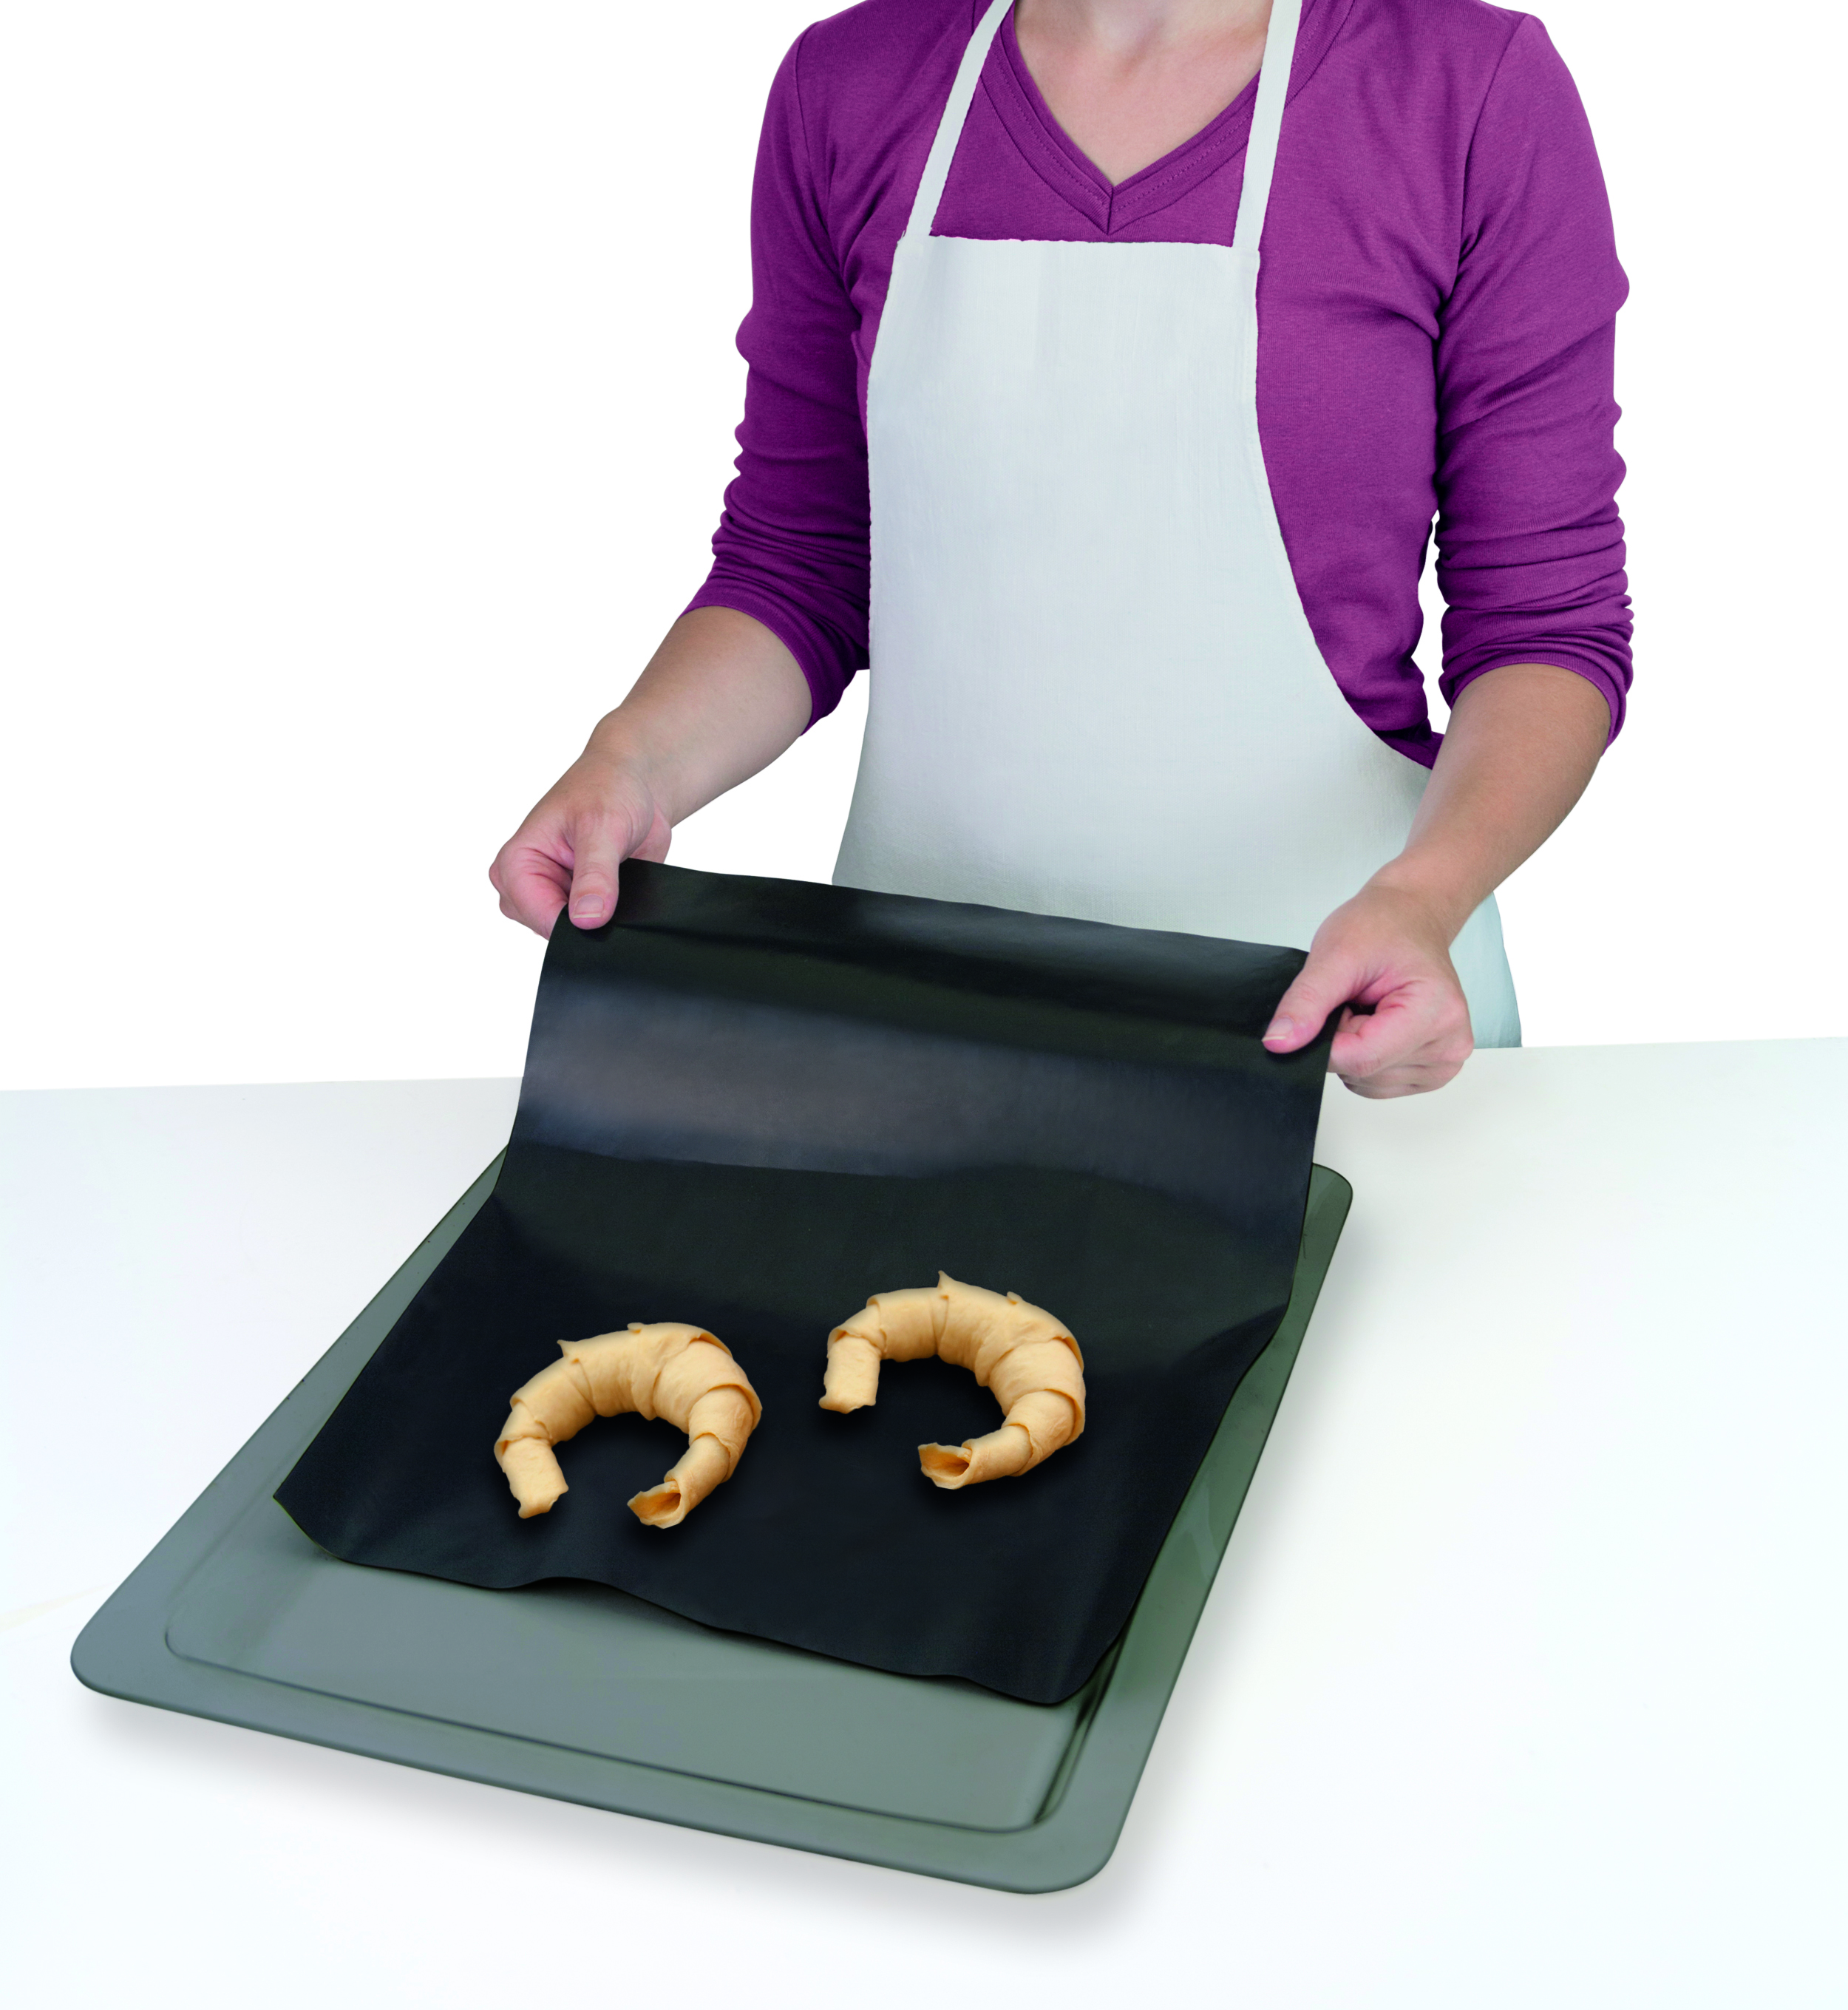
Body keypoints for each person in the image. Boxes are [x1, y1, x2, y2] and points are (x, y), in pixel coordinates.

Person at [490, 0, 1629, 1099]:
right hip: (925, 1039)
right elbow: (802, 563)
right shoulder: (848, 87)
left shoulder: (1466, 93)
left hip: (1343, 1033)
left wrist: (1426, 895)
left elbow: (1544, 630)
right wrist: (632, 763)